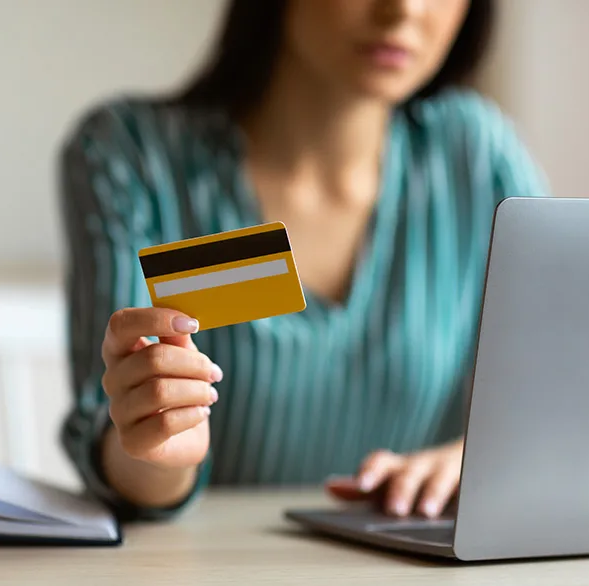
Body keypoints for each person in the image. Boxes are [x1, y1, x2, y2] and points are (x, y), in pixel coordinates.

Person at [58, 0, 549, 522]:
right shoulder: (132, 157)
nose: (404, 9)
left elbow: (558, 399)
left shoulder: (477, 157)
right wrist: (158, 451)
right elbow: (115, 434)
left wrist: (483, 460)